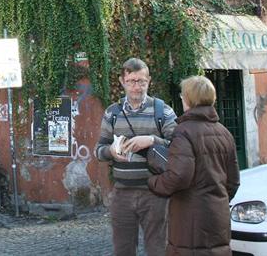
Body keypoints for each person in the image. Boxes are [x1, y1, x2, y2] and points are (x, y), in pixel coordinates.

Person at [148, 76, 240, 255]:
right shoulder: (225, 132)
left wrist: (154, 182)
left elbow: (179, 176)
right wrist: (216, 200)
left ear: (188, 99)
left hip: (190, 220)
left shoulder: (183, 131)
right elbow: (233, 181)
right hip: (218, 216)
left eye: (183, 96)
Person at [94, 58, 177, 256]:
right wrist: (111, 152)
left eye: (141, 81)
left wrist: (151, 140)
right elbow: (99, 150)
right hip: (122, 194)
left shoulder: (163, 111)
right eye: (131, 81)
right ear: (122, 82)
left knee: (157, 249)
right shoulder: (112, 113)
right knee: (123, 250)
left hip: (155, 194)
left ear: (149, 81)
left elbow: (179, 147)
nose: (137, 87)